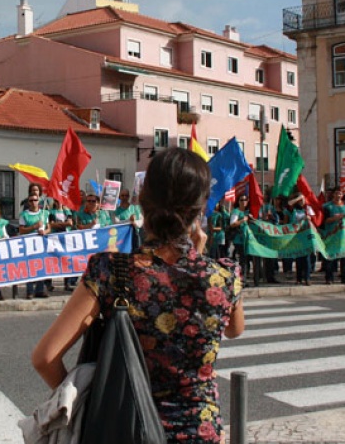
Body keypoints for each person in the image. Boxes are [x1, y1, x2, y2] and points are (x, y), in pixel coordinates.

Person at [31, 147, 244, 442]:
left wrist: (87, 401)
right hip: (199, 430)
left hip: (126, 430)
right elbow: (234, 329)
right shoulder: (224, 276)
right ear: (200, 208)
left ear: (143, 199)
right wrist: (198, 257)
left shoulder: (110, 270)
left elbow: (45, 358)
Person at [20, 193, 52, 299]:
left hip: (41, 243)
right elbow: (21, 230)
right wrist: (33, 227)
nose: (33, 202)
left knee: (41, 266)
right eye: (31, 200)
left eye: (35, 200)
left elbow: (49, 228)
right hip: (29, 244)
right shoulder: (24, 215)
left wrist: (44, 232)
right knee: (30, 267)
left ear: (38, 201)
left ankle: (40, 290)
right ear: (28, 202)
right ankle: (30, 291)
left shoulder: (44, 213)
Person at [321, 187, 345, 285]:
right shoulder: (327, 206)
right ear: (333, 194)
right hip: (332, 235)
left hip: (344, 235)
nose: (339, 195)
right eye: (337, 193)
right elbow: (324, 221)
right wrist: (336, 218)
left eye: (340, 193)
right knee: (330, 257)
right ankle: (329, 278)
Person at [229, 195, 254, 285]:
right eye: (241, 200)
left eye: (245, 199)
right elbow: (232, 224)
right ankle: (241, 280)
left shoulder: (247, 212)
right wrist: (243, 220)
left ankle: (244, 279)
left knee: (246, 261)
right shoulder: (236, 211)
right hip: (238, 240)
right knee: (242, 261)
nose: (244, 201)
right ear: (238, 201)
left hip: (246, 240)